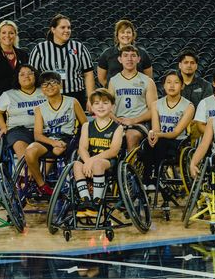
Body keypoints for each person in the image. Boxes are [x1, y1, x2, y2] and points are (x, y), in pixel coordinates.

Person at [24, 72, 87, 198]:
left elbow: (85, 124)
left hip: (68, 137)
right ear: (42, 89)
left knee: (58, 151)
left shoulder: (72, 102)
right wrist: (53, 142)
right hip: (49, 139)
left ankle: (69, 183)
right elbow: (37, 135)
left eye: (53, 82)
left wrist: (81, 144)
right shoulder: (39, 108)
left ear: (61, 85)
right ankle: (42, 185)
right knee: (30, 151)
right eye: (45, 84)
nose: (49, 86)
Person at [73, 89, 124, 218]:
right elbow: (82, 148)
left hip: (108, 162)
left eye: (105, 103)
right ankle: (85, 200)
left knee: (97, 164)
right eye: (96, 103)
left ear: (112, 106)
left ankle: (97, 201)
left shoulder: (117, 127)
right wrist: (86, 161)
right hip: (89, 161)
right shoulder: (86, 126)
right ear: (91, 106)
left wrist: (91, 161)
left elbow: (113, 151)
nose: (100, 106)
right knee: (76, 165)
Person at [29, 14, 96, 109]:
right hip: (49, 96)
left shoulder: (79, 47)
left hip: (76, 95)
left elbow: (88, 73)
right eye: (63, 27)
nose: (67, 30)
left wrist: (90, 98)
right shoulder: (40, 49)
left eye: (69, 27)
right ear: (53, 29)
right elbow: (33, 75)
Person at [107, 45, 157, 152]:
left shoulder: (147, 81)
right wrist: (117, 120)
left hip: (139, 123)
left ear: (138, 59)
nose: (129, 59)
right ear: (120, 59)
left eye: (133, 56)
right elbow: (108, 109)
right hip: (118, 122)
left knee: (131, 136)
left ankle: (130, 167)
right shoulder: (113, 81)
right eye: (125, 56)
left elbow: (153, 110)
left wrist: (133, 120)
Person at [0, 64, 46, 160]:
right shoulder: (9, 94)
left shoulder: (45, 91)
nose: (26, 76)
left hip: (45, 129)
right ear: (17, 78)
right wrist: (3, 127)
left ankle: (39, 174)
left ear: (35, 76)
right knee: (19, 145)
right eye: (22, 74)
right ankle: (27, 172)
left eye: (30, 73)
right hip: (18, 131)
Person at [149, 70, 195, 176]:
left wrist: (157, 135)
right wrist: (153, 134)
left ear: (182, 86)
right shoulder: (156, 104)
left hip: (178, 143)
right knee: (147, 144)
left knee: (159, 143)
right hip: (160, 139)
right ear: (164, 85)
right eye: (168, 82)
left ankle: (157, 177)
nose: (172, 86)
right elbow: (156, 129)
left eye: (176, 82)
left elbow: (176, 132)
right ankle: (147, 181)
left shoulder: (189, 106)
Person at [96, 19, 153, 88]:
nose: (126, 35)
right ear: (117, 35)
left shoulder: (142, 54)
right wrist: (112, 88)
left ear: (133, 35)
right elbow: (102, 78)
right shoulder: (107, 54)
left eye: (128, 32)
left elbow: (148, 77)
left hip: (137, 92)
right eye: (122, 32)